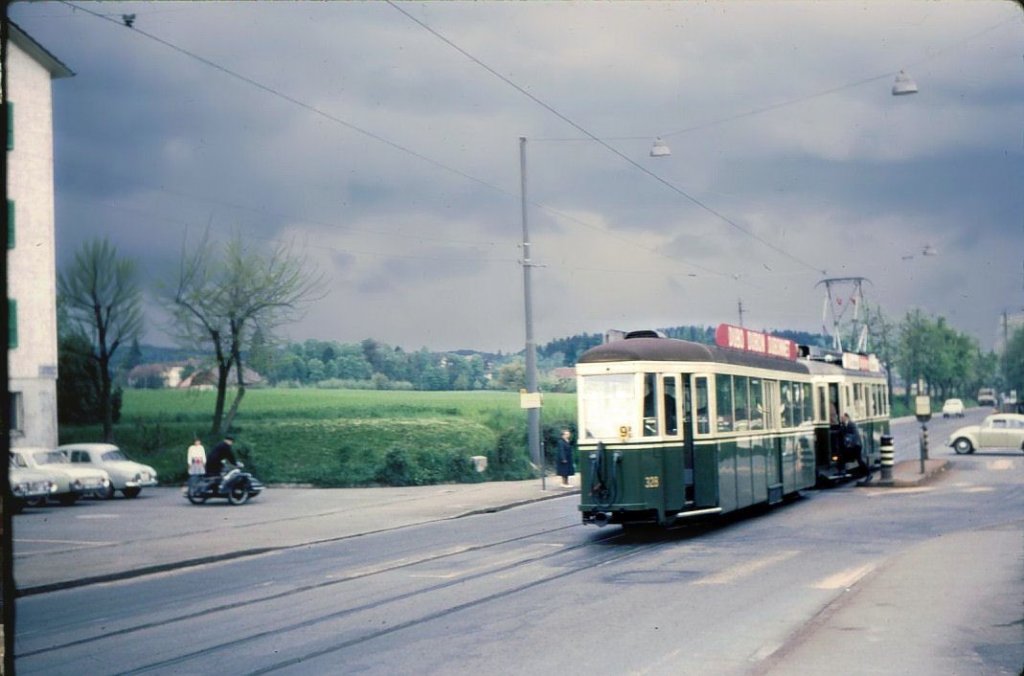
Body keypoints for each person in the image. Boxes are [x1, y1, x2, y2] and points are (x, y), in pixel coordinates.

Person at [841, 413, 871, 484]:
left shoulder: (851, 424)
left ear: (846, 417)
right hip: (854, 446)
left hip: (856, 446)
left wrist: (849, 443)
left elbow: (854, 435)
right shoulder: (845, 425)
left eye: (842, 418)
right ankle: (865, 474)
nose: (841, 419)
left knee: (859, 460)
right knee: (856, 459)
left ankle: (868, 474)